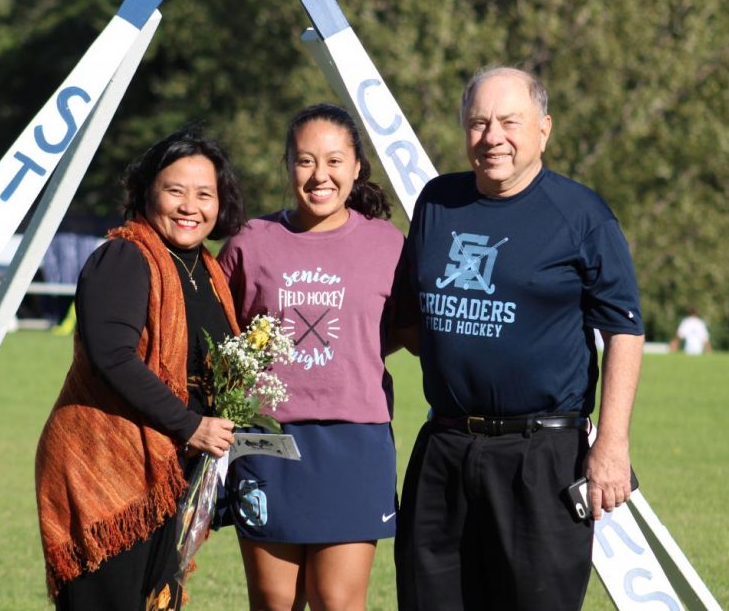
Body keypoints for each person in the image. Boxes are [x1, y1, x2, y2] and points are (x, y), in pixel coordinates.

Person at [393, 66, 645, 610]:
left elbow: (623, 330)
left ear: (544, 129)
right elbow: (408, 318)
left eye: (510, 121)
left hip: (542, 457)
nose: (493, 138)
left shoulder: (582, 215)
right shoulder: (436, 202)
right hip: (445, 449)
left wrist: (612, 444)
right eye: (479, 123)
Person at [35, 126, 246, 610]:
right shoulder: (125, 257)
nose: (190, 206)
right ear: (147, 191)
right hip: (107, 469)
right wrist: (191, 425)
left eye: (204, 194)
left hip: (170, 469)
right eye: (175, 191)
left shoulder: (206, 270)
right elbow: (113, 356)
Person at [217, 104, 404, 610]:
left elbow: (401, 330)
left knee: (336, 602)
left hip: (355, 443)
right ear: (288, 165)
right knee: (275, 602)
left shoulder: (388, 245)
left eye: (334, 160)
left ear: (357, 167)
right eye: (305, 161)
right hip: (266, 441)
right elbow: (214, 334)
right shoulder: (252, 241)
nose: (320, 175)